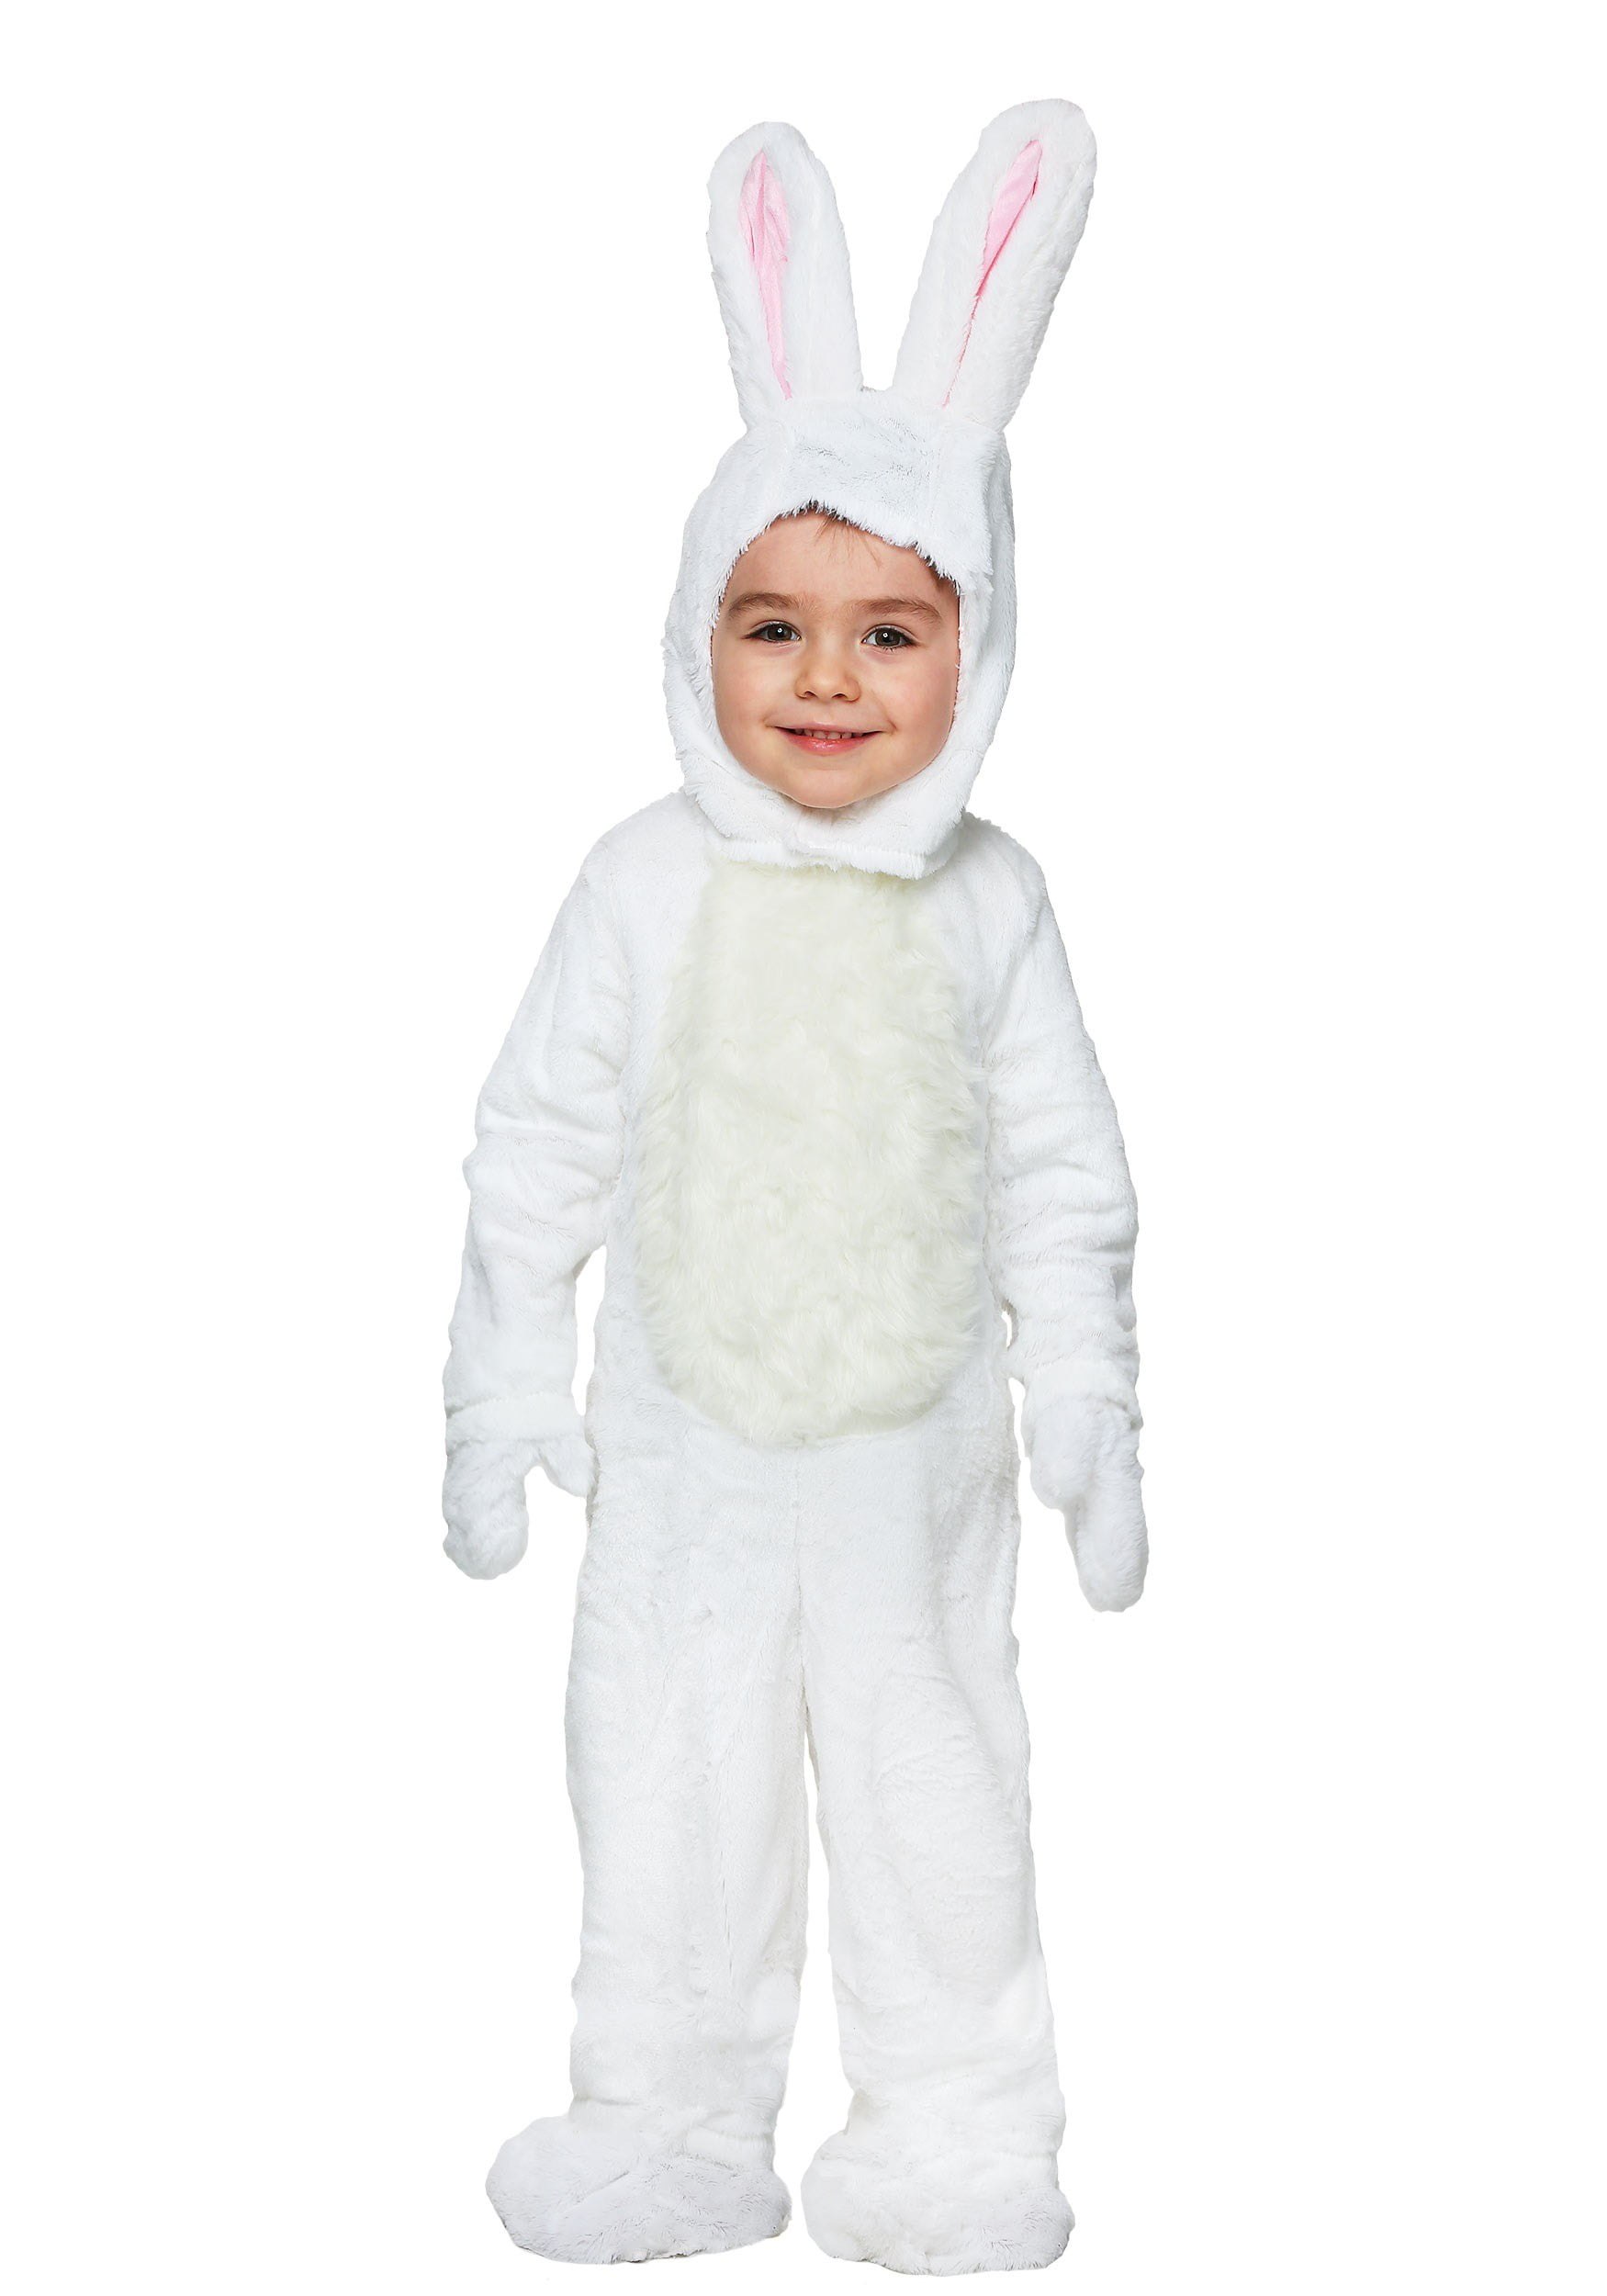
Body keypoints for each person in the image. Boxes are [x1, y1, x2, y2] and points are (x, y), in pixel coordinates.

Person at [442, 100, 1147, 2274]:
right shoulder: (637, 886)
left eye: (887, 631)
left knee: (942, 1805)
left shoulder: (990, 900)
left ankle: (955, 2130)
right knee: (665, 1787)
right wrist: (499, 1382)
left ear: (978, 645)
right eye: (770, 625)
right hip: (685, 1471)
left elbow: (1060, 1168)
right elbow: (536, 1140)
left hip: (914, 1483)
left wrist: (1088, 1397)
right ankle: (661, 2116)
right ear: (693, 633)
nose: (825, 677)